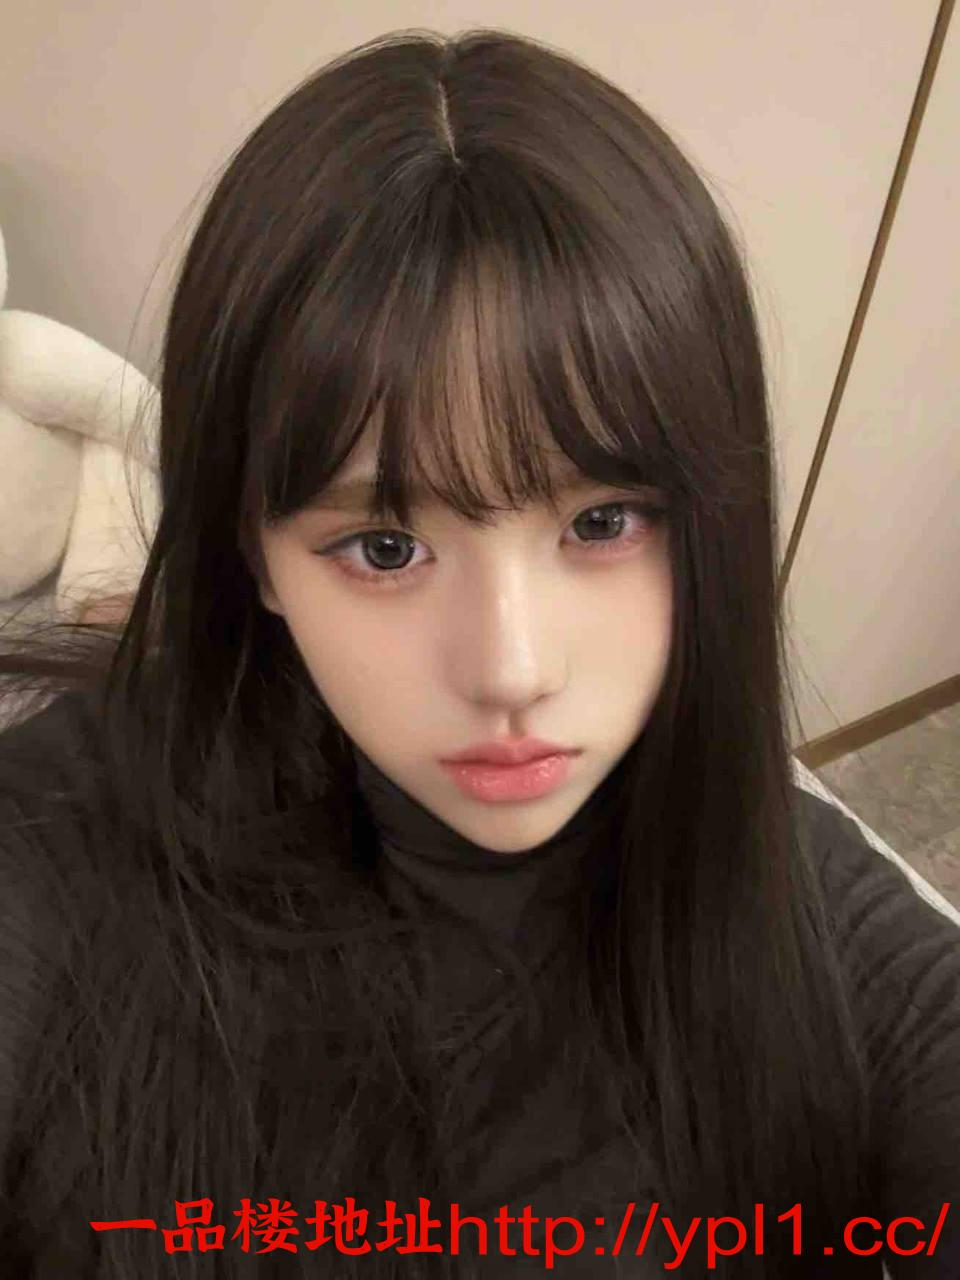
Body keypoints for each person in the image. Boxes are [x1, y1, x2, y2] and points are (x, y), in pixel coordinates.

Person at [0, 26, 957, 1280]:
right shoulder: (58, 850)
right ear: (256, 556)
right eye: (386, 546)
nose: (511, 668)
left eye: (602, 524)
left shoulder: (801, 903)